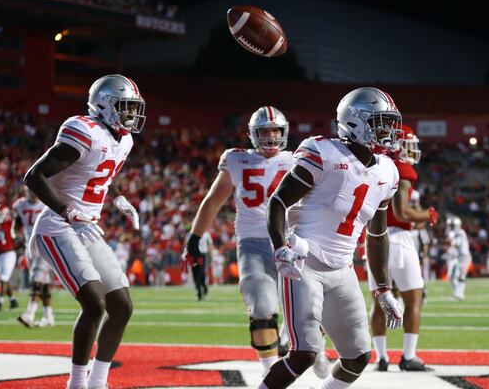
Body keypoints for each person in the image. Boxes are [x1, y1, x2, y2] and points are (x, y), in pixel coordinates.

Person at [261, 87, 404, 389]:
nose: (389, 130)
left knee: (358, 357)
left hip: (342, 269)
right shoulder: (323, 152)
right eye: (380, 122)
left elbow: (377, 235)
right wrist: (280, 250)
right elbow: (278, 202)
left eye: (390, 122)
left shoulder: (388, 171)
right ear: (354, 122)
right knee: (305, 353)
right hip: (304, 262)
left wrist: (382, 290)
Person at [183, 106, 326, 377]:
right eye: (264, 131)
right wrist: (194, 239)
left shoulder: (297, 159)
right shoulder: (237, 159)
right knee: (261, 306)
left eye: (275, 131)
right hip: (253, 243)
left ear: (284, 133)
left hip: (293, 242)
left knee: (312, 307)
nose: (271, 136)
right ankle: (270, 371)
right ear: (253, 133)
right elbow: (213, 201)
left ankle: (313, 346)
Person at [24, 74, 144, 389]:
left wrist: (118, 198)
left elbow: (100, 171)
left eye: (133, 108)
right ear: (104, 105)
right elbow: (34, 176)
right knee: (94, 303)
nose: (131, 114)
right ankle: (77, 384)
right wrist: (68, 211)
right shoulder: (84, 130)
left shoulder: (124, 140)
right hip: (57, 225)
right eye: (125, 107)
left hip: (86, 227)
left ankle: (98, 382)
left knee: (121, 305)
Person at [369, 125, 438, 372]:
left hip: (374, 237)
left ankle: (381, 358)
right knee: (413, 299)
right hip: (398, 239)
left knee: (379, 301)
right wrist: (427, 215)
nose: (411, 149)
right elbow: (402, 212)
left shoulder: (375, 164)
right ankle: (408, 356)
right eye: (408, 144)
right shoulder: (400, 168)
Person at [14, 186, 52, 328]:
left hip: (45, 246)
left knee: (36, 280)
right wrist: (15, 234)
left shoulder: (46, 203)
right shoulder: (20, 205)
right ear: (26, 191)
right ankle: (49, 317)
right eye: (30, 190)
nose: (33, 192)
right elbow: (17, 225)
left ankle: (29, 314)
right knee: (43, 284)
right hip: (30, 247)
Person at [444, 215, 470, 301]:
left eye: (452, 226)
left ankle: (460, 294)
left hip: (463, 256)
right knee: (452, 276)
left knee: (461, 276)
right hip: (458, 256)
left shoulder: (459, 232)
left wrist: (448, 241)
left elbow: (456, 244)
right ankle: (457, 293)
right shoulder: (457, 233)